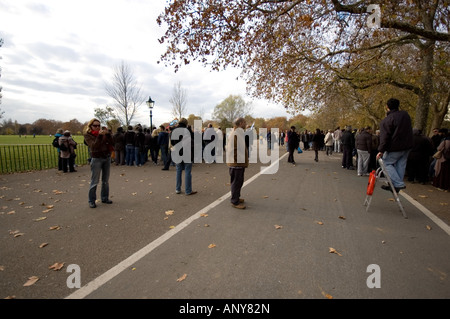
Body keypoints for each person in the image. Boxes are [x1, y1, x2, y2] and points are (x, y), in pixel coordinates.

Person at [377, 98, 413, 193]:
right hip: (407, 145)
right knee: (400, 165)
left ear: (387, 107)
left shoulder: (387, 120)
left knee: (385, 163)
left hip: (395, 146)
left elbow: (384, 137)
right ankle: (397, 184)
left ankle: (397, 183)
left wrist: (381, 150)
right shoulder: (405, 115)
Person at [84, 119, 114, 208]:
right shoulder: (88, 135)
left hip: (106, 157)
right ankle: (91, 200)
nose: (97, 127)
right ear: (90, 126)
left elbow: (112, 143)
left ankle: (104, 197)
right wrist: (100, 136)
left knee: (105, 180)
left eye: (98, 125)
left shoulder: (104, 134)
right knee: (95, 181)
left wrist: (108, 134)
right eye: (95, 125)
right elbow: (94, 146)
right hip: (96, 158)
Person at [226, 117, 248, 209]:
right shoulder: (236, 133)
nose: (246, 125)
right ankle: (235, 201)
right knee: (236, 182)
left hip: (238, 162)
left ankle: (237, 197)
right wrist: (237, 160)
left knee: (239, 182)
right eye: (244, 123)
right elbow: (234, 149)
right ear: (240, 123)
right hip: (237, 163)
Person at [171, 118, 197, 195]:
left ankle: (177, 188)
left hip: (177, 152)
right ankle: (188, 190)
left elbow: (172, 142)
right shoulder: (187, 130)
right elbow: (193, 140)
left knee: (178, 171)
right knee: (187, 171)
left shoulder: (174, 131)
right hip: (187, 152)